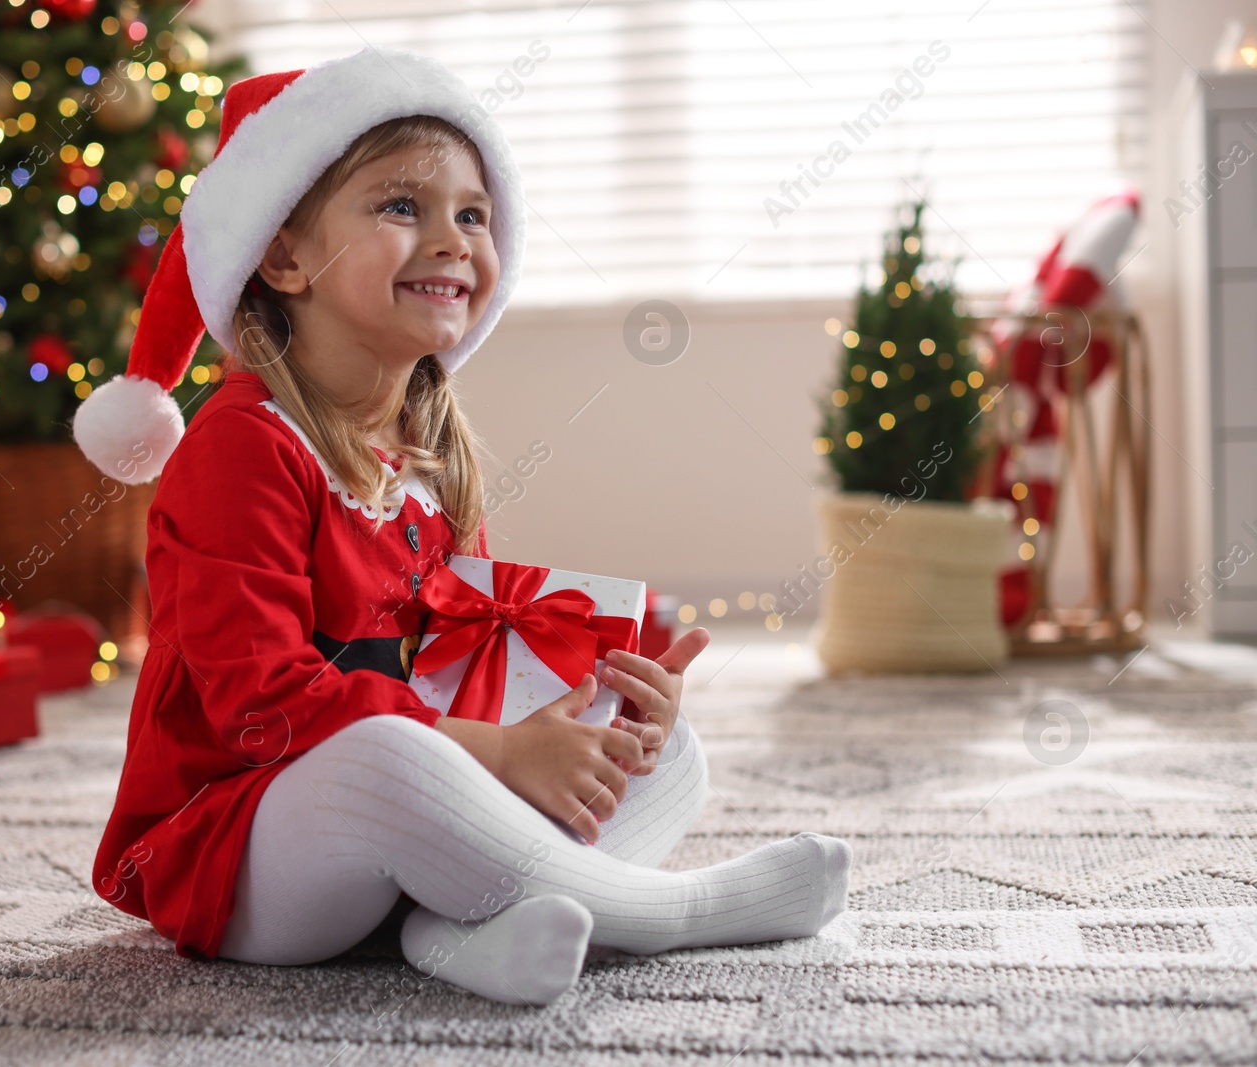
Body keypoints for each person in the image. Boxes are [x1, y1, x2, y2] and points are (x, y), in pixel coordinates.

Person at [73, 47, 851, 1007]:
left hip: (398, 832)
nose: (452, 239)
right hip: (239, 846)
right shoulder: (242, 447)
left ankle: (451, 937)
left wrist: (577, 719)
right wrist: (498, 757)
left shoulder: (432, 457)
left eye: (472, 215)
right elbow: (263, 708)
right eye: (402, 206)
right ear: (284, 255)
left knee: (665, 753)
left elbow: (463, 671)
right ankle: (672, 912)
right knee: (388, 755)